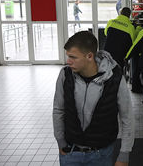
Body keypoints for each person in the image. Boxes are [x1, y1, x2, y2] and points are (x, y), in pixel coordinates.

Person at [53, 31, 134, 166]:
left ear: (89, 56)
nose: (68, 61)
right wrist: (60, 141)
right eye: (68, 56)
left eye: (73, 57)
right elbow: (58, 110)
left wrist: (124, 153)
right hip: (70, 152)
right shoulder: (65, 75)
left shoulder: (114, 78)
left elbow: (127, 117)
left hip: (101, 154)